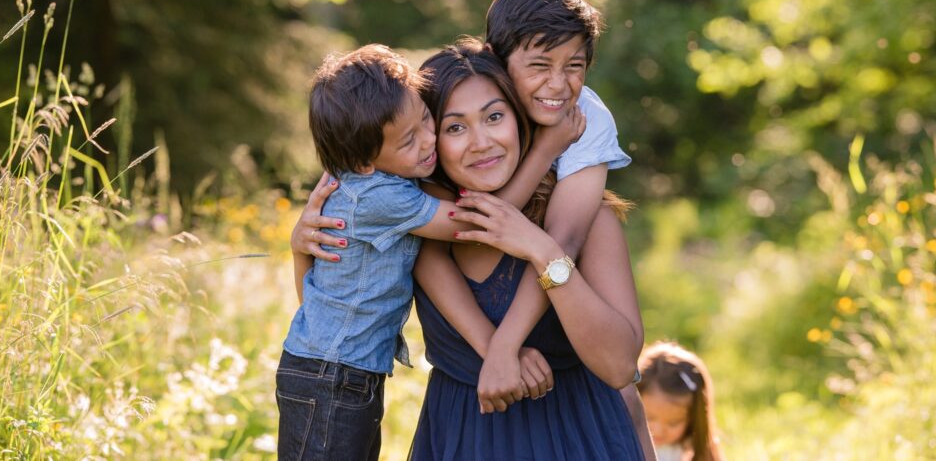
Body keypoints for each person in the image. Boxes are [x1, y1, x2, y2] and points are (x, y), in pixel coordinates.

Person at [277, 44, 581, 461]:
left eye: (427, 120)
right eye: (408, 141)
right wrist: (546, 149)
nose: (428, 142)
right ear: (365, 161)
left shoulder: (370, 178)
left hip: (341, 371)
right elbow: (480, 224)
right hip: (331, 377)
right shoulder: (381, 196)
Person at [408, 40, 646, 459]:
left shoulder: (588, 219)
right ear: (430, 141)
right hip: (462, 440)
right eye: (455, 127)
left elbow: (620, 367)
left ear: (519, 120)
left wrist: (542, 249)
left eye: (494, 117)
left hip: (577, 438)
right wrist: (301, 246)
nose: (481, 142)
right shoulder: (417, 228)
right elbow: (327, 321)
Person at [631, 342, 724, 461]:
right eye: (649, 418)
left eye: (673, 423)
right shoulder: (625, 443)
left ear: (693, 418)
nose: (659, 431)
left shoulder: (690, 450)